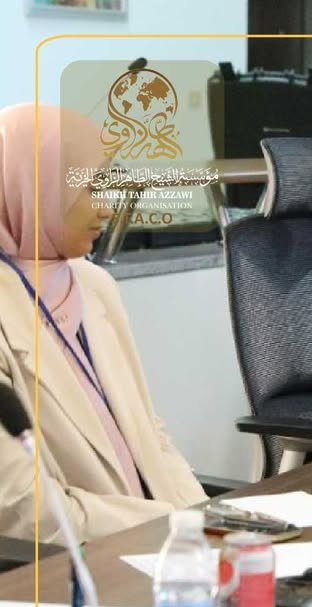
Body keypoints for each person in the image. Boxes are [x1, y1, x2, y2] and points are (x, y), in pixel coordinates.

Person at [0, 104, 206, 542]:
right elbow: (22, 508)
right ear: (36, 190)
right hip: (72, 561)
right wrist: (169, 524)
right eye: (92, 188)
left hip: (163, 542)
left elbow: (151, 434)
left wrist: (207, 519)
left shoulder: (94, 283)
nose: (107, 209)